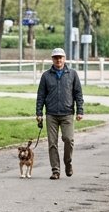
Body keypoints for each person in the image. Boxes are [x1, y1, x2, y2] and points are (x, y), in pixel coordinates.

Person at [35, 47, 84, 180]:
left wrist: (80, 110)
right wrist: (39, 113)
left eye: (60, 57)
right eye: (56, 57)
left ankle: (68, 163)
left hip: (67, 113)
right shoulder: (46, 76)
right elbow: (41, 95)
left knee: (69, 140)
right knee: (52, 143)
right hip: (51, 114)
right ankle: (55, 170)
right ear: (52, 59)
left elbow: (78, 94)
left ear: (64, 58)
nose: (58, 60)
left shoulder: (72, 74)